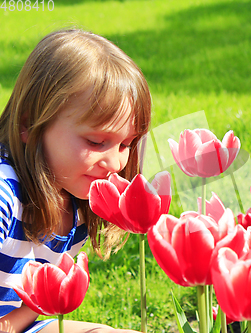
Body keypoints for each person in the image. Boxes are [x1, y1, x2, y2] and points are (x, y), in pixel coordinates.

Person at [0, 29, 151, 332]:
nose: (115, 163)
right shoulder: (5, 196)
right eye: (96, 142)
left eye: (126, 145)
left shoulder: (78, 207)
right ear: (30, 125)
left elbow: (32, 306)